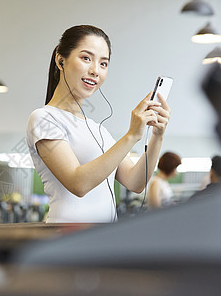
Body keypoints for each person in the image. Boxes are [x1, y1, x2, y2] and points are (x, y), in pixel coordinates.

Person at [26, 25, 171, 223]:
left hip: (101, 242)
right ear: (60, 60)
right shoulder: (44, 118)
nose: (95, 71)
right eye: (86, 58)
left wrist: (157, 135)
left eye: (103, 64)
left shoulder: (98, 129)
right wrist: (131, 136)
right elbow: (78, 183)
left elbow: (135, 182)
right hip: (66, 239)